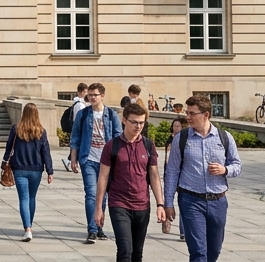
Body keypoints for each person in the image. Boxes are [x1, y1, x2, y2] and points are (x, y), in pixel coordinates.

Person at [164, 95, 242, 262]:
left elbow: (237, 165)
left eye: (192, 113)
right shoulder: (182, 138)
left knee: (214, 251)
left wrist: (225, 169)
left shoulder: (225, 137)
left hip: (218, 201)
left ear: (206, 115)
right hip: (191, 200)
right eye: (187, 113)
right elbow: (172, 171)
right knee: (198, 252)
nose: (188, 117)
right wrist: (168, 203)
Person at [94, 103, 166, 262]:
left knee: (137, 252)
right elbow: (103, 177)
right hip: (119, 203)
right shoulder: (112, 146)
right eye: (134, 122)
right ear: (124, 120)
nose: (138, 126)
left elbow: (153, 175)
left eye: (142, 122)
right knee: (125, 249)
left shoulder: (148, 145)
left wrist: (160, 204)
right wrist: (98, 208)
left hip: (142, 205)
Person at [68, 82, 123, 244]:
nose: (91, 97)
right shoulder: (83, 114)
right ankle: (92, 230)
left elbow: (119, 138)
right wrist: (73, 158)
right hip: (88, 159)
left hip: (107, 163)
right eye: (90, 95)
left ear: (102, 96)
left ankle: (99, 227)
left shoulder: (111, 115)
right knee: (92, 194)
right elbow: (75, 137)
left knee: (104, 196)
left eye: (95, 95)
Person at [2, 102, 55, 241]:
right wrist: (50, 171)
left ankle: (28, 229)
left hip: (19, 168)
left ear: (23, 113)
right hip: (36, 169)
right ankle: (29, 226)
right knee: (31, 198)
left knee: (24, 198)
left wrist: (4, 162)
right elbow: (46, 153)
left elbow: (8, 148)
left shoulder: (16, 129)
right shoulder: (41, 131)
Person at [163, 116, 188, 240]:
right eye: (175, 126)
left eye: (179, 126)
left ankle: (183, 231)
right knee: (174, 201)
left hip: (185, 175)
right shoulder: (170, 140)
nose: (176, 128)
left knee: (184, 203)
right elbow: (168, 161)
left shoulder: (186, 139)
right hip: (173, 174)